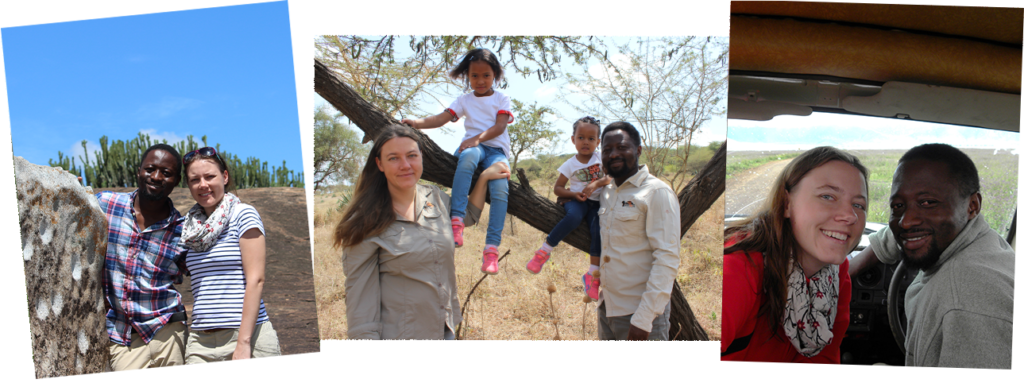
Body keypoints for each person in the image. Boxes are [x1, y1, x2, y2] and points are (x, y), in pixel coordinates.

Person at [334, 124, 510, 341]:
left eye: (411, 155)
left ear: (421, 157)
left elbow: (468, 217)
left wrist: (483, 178)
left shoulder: (434, 198)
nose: (405, 165)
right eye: (393, 158)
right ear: (379, 163)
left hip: (445, 328)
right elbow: (360, 302)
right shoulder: (364, 222)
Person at [848, 144, 1014, 369]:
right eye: (898, 206)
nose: (906, 221)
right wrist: (846, 272)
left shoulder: (965, 306)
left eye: (927, 203)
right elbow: (902, 229)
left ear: (972, 205)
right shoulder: (977, 239)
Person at [720, 146, 866, 364]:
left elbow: (823, 357)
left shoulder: (835, 275)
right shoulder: (740, 265)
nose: (850, 215)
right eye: (827, 196)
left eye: (858, 204)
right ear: (787, 203)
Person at [401, 48, 513, 276]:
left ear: (496, 75)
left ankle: (491, 249)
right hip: (473, 148)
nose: (480, 81)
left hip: (496, 150)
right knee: (468, 156)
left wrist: (476, 138)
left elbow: (500, 127)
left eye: (486, 75)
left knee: (501, 187)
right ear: (467, 76)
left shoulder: (502, 98)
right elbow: (441, 118)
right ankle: (457, 221)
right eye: (474, 76)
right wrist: (415, 122)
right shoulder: (464, 100)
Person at [179, 146, 281, 363]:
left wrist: (243, 344)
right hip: (200, 341)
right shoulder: (189, 229)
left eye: (209, 176)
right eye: (195, 179)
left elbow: (256, 279)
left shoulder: (243, 214)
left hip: (248, 336)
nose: (203, 184)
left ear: (224, 177)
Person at [96, 144, 189, 371]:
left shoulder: (183, 230)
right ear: (139, 171)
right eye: (150, 169)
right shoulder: (106, 205)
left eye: (166, 173)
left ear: (176, 181)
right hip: (123, 337)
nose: (156, 177)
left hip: (169, 331)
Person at [595, 122, 681, 341]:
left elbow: (667, 258)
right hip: (607, 306)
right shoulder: (607, 191)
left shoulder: (656, 192)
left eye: (621, 147)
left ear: (638, 150)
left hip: (639, 314)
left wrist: (643, 319)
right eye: (607, 150)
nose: (613, 154)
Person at [525, 116, 610, 302]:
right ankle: (544, 251)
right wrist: (573, 195)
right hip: (577, 200)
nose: (585, 142)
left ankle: (592, 275)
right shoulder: (570, 164)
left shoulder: (601, 158)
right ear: (573, 140)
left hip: (597, 204)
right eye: (581, 137)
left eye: (590, 138)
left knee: (598, 232)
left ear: (598, 141)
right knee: (573, 218)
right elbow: (558, 188)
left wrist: (596, 184)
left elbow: (609, 178)